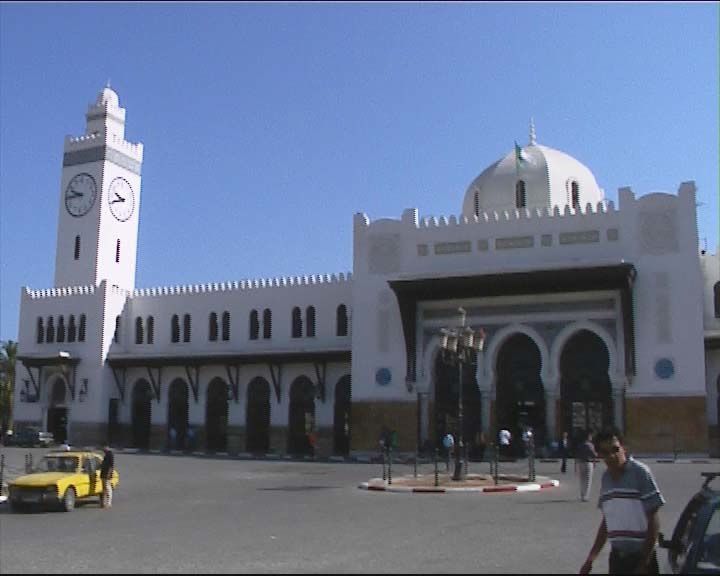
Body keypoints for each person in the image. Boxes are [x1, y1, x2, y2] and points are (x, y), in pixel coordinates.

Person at [580, 427, 664, 575]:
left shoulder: (640, 473)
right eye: (606, 452)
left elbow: (654, 519)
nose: (612, 455)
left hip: (642, 558)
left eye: (615, 449)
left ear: (623, 448)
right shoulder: (606, 479)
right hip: (618, 559)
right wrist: (590, 559)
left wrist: (645, 562)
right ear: (599, 455)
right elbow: (607, 521)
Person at [575, 429, 597, 501]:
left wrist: (576, 464)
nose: (591, 437)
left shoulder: (580, 445)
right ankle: (586, 496)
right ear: (588, 437)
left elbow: (577, 455)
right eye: (590, 436)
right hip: (588, 463)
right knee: (588, 480)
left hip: (580, 462)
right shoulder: (590, 445)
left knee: (582, 480)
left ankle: (582, 494)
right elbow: (593, 454)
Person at [100, 445, 115, 509]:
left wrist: (109, 474)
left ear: (106, 447)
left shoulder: (110, 454)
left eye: (103, 448)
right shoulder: (106, 454)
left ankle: (108, 503)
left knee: (107, 488)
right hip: (103, 474)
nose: (102, 450)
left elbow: (111, 465)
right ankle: (103, 503)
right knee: (104, 489)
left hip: (107, 474)